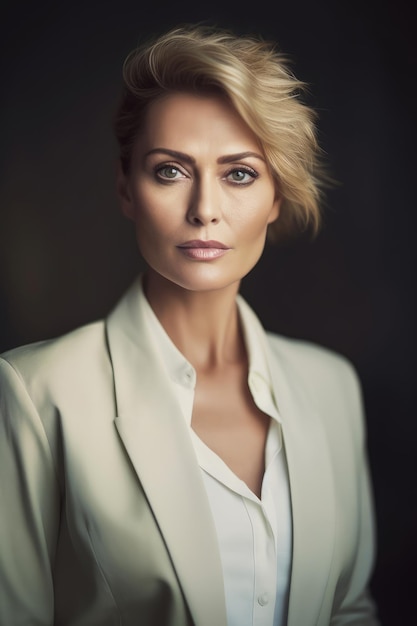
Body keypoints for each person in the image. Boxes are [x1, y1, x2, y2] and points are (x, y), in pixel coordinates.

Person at [0, 23, 379, 626]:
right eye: (171, 171)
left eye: (239, 173)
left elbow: (348, 609)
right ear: (126, 187)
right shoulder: (35, 393)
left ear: (277, 196)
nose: (205, 209)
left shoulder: (332, 387)